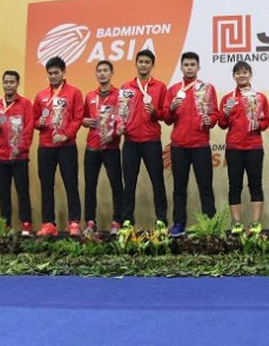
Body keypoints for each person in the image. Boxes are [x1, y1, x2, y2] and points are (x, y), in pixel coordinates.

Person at [165, 52, 219, 237]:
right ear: (181, 67)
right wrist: (171, 108)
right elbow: (167, 118)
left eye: (192, 64)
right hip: (179, 146)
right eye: (186, 64)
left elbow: (215, 115)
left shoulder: (207, 89)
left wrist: (209, 120)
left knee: (205, 187)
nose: (189, 67)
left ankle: (210, 225)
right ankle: (179, 224)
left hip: (200, 145)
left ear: (198, 67)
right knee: (179, 188)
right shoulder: (172, 90)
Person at [119, 49, 168, 234]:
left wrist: (155, 112)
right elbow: (120, 113)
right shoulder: (126, 87)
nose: (144, 64)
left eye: (147, 61)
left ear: (152, 65)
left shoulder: (160, 87)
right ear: (136, 63)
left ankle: (162, 220)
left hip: (151, 141)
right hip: (130, 142)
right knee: (129, 183)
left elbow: (166, 113)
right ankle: (127, 221)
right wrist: (120, 125)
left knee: (158, 181)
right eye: (141, 61)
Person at [218, 61, 269, 234]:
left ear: (250, 75)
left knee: (256, 184)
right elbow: (222, 123)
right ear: (234, 76)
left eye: (245, 72)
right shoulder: (228, 99)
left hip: (254, 146)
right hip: (234, 147)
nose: (242, 75)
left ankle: (256, 223)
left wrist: (258, 124)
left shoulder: (259, 97)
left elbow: (267, 120)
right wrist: (225, 112)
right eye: (238, 73)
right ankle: (236, 223)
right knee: (235, 185)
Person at [33, 56, 83, 237]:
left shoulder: (74, 93)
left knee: (71, 184)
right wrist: (39, 122)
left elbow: (78, 118)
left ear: (64, 72)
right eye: (50, 73)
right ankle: (48, 223)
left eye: (56, 73)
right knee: (46, 185)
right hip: (45, 146)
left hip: (67, 146)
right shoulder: (41, 96)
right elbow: (34, 120)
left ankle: (74, 222)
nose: (53, 76)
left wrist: (65, 135)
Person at [82, 60, 123, 235]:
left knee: (116, 185)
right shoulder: (90, 96)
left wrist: (113, 134)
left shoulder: (119, 95)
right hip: (92, 147)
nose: (102, 74)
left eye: (105, 70)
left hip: (111, 147)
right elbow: (82, 118)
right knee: (90, 185)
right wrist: (84, 121)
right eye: (99, 71)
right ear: (96, 74)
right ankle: (90, 222)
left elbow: (122, 120)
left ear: (112, 73)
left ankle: (117, 221)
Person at [0, 70, 34, 235]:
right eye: (6, 82)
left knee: (22, 192)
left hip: (20, 157)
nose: (8, 85)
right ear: (2, 84)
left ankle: (26, 225)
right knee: (3, 194)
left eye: (11, 82)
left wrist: (21, 148)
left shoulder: (25, 104)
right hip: (0, 157)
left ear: (17, 84)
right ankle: (5, 226)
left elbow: (29, 129)